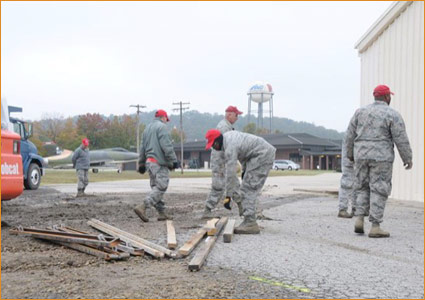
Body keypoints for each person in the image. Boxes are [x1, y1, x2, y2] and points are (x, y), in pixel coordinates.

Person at [345, 84, 412, 238]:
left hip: (361, 155)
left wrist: (350, 154)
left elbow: (349, 135)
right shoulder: (392, 114)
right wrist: (407, 158)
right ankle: (375, 226)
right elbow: (401, 138)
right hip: (381, 157)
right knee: (379, 188)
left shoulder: (360, 112)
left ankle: (359, 219)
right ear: (387, 97)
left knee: (361, 186)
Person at [205, 129, 276, 234]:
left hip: (262, 155)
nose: (213, 148)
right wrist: (244, 170)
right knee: (247, 187)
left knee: (248, 189)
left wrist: (228, 196)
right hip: (258, 154)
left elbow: (230, 173)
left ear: (217, 141)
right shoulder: (228, 138)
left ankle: (250, 223)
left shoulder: (229, 146)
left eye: (213, 145)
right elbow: (245, 152)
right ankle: (249, 219)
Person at [134, 109, 178, 222]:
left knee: (156, 188)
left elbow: (142, 148)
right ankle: (143, 206)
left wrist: (141, 163)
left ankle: (161, 213)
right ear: (163, 118)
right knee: (161, 187)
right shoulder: (161, 127)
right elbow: (167, 146)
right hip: (159, 162)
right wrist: (173, 160)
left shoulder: (147, 129)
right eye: (166, 120)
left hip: (149, 162)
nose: (166, 122)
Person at [202, 105, 244, 219]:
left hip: (225, 162)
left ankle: (243, 209)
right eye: (236, 115)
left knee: (234, 185)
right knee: (218, 187)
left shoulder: (227, 126)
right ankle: (207, 209)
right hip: (221, 163)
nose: (237, 118)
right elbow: (227, 148)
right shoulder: (224, 127)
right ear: (229, 115)